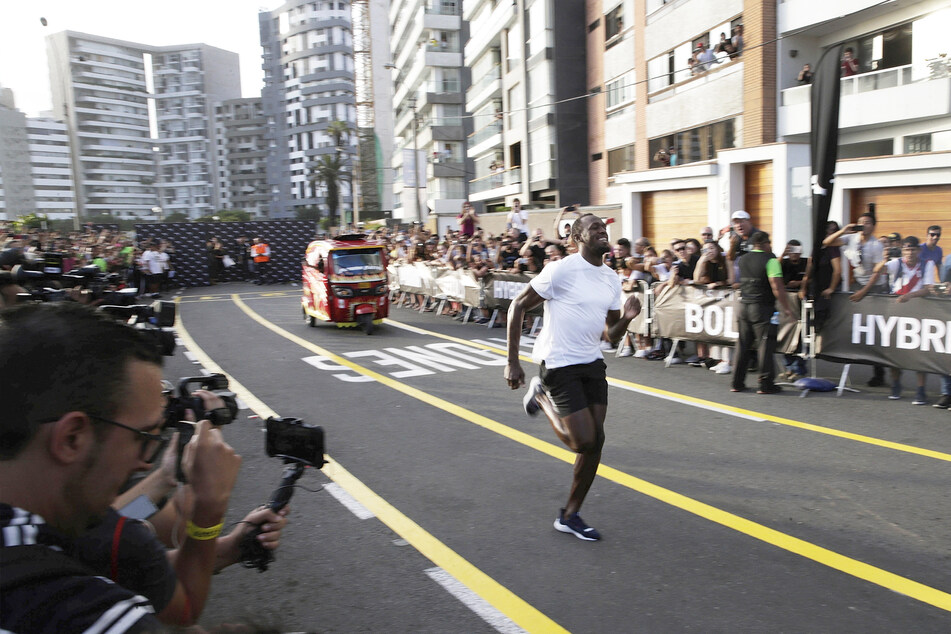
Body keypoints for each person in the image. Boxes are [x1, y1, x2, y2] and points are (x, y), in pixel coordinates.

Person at [0, 302, 241, 632]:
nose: (144, 460)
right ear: (72, 438)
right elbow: (183, 612)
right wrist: (209, 510)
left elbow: (127, 516)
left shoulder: (65, 515)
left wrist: (164, 478)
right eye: (141, 436)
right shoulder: (73, 609)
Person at [504, 214, 641, 541]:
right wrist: (512, 362)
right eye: (594, 228)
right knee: (583, 441)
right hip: (559, 362)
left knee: (597, 443)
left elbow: (610, 334)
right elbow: (517, 306)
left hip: (592, 362)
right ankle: (540, 397)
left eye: (604, 228)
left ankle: (570, 515)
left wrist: (629, 318)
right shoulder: (561, 270)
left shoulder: (610, 278)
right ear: (577, 237)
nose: (602, 231)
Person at [850, 236, 937, 404]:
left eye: (913, 249)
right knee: (895, 352)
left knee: (919, 353)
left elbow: (927, 289)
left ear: (918, 250)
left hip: (918, 312)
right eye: (906, 249)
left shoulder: (927, 264)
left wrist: (909, 295)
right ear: (903, 251)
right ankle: (896, 384)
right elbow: (877, 271)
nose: (910, 253)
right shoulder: (897, 263)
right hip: (896, 311)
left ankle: (920, 390)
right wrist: (883, 260)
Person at [731, 231, 795, 395]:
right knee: (765, 345)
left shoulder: (743, 259)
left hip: (743, 306)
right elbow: (777, 287)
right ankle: (766, 384)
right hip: (762, 308)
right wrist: (787, 307)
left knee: (743, 345)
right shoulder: (771, 261)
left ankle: (737, 382)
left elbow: (737, 281)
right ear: (766, 243)